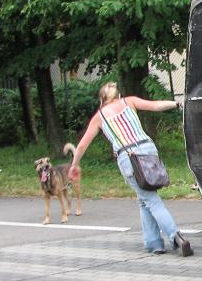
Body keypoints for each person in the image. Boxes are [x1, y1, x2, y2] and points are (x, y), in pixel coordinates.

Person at [68, 82, 193, 256]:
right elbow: (156, 105)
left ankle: (176, 236)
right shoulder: (129, 101)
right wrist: (177, 103)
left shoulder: (100, 116)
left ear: (101, 100)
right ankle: (154, 243)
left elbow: (81, 146)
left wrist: (74, 165)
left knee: (151, 199)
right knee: (144, 198)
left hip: (129, 157)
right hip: (149, 150)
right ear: (118, 96)